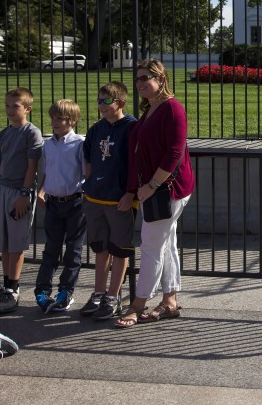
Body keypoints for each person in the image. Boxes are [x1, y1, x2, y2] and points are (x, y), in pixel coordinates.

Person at [115, 59, 194, 328]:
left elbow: (175, 151)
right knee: (165, 244)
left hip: (167, 190)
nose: (139, 83)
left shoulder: (173, 109)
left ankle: (138, 304)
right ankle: (169, 300)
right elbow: (136, 156)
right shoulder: (150, 110)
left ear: (161, 79)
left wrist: (151, 186)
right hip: (152, 189)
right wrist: (132, 190)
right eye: (137, 79)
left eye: (145, 78)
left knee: (150, 245)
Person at [0, 88, 43, 314]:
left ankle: (13, 290)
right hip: (3, 191)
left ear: (27, 108)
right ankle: (6, 287)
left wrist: (24, 195)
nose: (10, 110)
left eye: (15, 106)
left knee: (16, 244)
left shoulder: (31, 133)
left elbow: (31, 167)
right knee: (4, 243)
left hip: (19, 193)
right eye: (7, 105)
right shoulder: (3, 134)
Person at [79, 82, 137, 320]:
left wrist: (130, 193)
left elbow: (136, 165)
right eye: (99, 101)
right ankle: (98, 294)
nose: (101, 106)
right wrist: (90, 184)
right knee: (101, 249)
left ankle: (113, 298)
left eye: (106, 101)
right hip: (95, 197)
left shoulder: (132, 127)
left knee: (119, 250)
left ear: (120, 103)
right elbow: (89, 160)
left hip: (119, 199)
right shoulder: (96, 129)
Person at [32, 99, 86, 313]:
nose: (55, 122)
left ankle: (66, 291)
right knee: (51, 249)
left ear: (72, 121)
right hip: (54, 203)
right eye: (53, 117)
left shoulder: (79, 144)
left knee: (73, 250)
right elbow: (45, 172)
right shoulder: (48, 145)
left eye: (60, 118)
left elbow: (85, 173)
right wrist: (41, 192)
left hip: (75, 203)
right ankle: (43, 289)